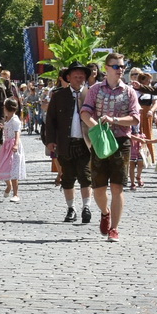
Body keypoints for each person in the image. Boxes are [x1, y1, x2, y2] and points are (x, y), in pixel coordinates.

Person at [79, 53, 139, 241]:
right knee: (98, 188)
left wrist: (114, 120)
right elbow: (85, 112)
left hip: (121, 142)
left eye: (122, 66)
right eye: (116, 66)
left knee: (117, 187)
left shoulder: (129, 91)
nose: (120, 70)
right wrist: (96, 127)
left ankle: (114, 228)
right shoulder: (96, 89)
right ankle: (105, 212)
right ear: (106, 68)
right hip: (101, 142)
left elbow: (135, 117)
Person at [43, 64, 92, 225]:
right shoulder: (59, 96)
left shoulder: (91, 94)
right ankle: (71, 208)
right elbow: (50, 121)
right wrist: (50, 141)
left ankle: (86, 207)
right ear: (68, 78)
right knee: (68, 178)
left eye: (82, 76)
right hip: (65, 143)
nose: (79, 78)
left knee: (86, 176)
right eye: (75, 76)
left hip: (86, 143)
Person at [0, 99, 24, 202]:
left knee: (14, 169)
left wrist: (15, 145)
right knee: (3, 166)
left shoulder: (15, 120)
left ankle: (16, 194)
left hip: (13, 146)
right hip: (6, 145)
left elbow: (17, 133)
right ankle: (8, 185)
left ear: (6, 108)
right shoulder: (8, 119)